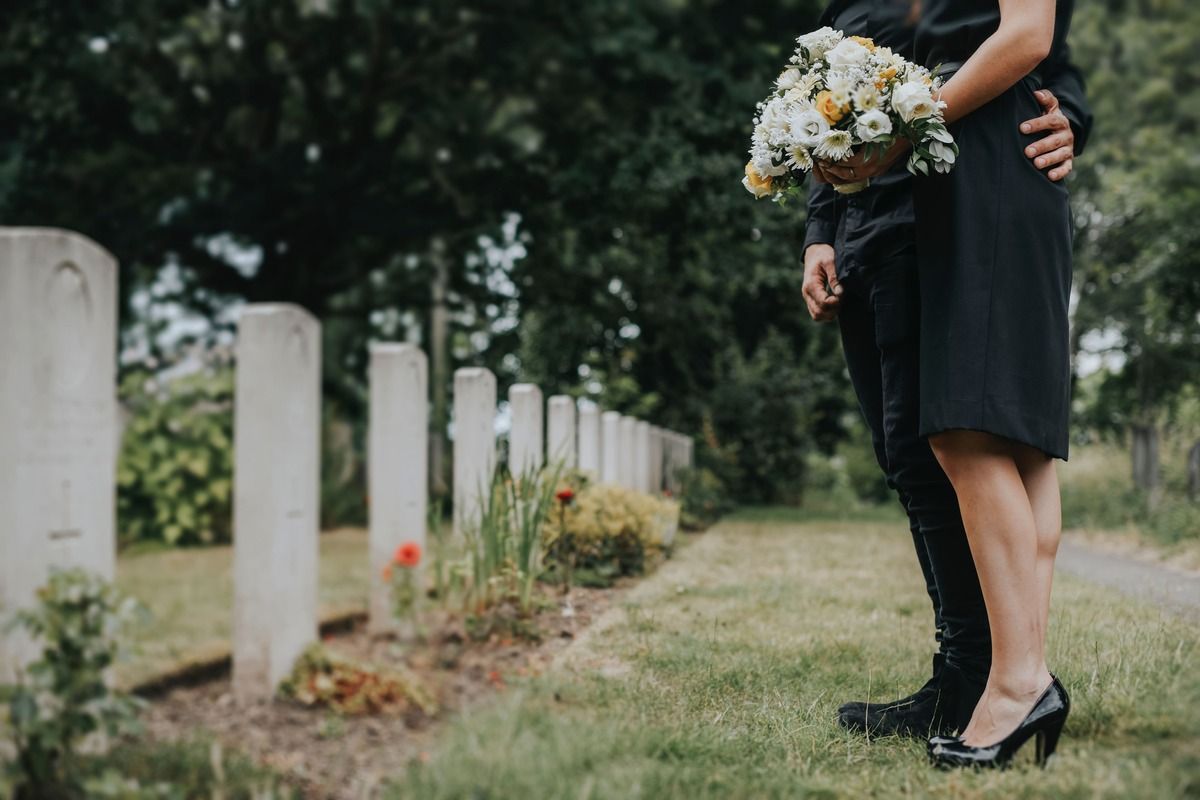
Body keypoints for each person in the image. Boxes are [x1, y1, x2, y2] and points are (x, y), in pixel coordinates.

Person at [801, 0, 1092, 744]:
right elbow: (826, 95)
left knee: (965, 438)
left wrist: (1073, 115)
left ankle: (993, 677)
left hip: (951, 201)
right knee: (918, 453)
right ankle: (1001, 676)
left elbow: (1031, 41)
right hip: (872, 217)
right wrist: (820, 228)